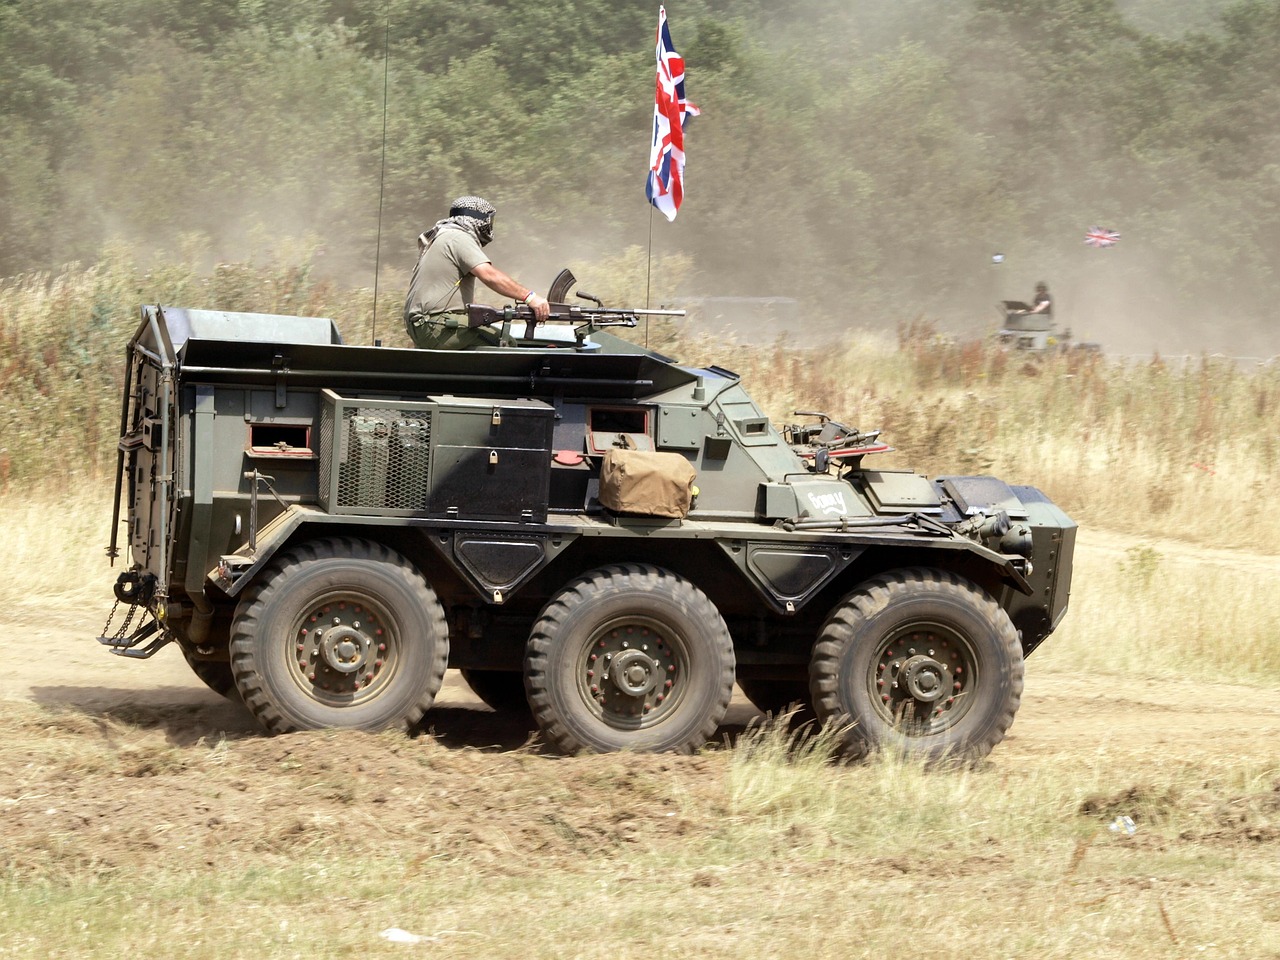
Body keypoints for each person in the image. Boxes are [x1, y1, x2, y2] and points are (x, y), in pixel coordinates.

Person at [403, 195, 551, 348]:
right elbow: (489, 275)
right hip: (436, 324)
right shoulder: (458, 237)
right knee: (507, 345)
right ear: (478, 221)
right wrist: (530, 298)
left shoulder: (442, 237)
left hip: (426, 325)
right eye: (489, 221)